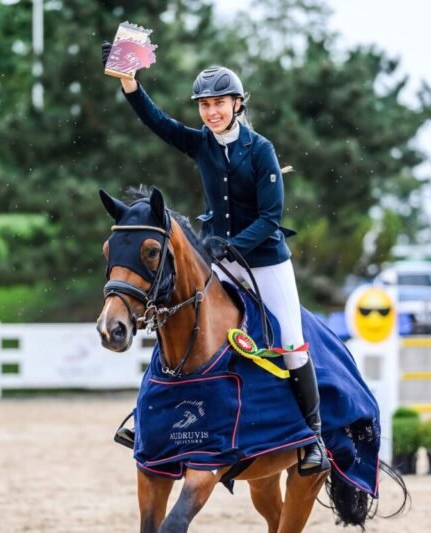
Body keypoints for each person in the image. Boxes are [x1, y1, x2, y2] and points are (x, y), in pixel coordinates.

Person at [102, 43, 329, 475]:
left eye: (219, 104)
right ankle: (145, 417)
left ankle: (314, 435)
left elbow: (270, 217)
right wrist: (131, 84)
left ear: (237, 105)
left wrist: (233, 245)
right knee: (173, 318)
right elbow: (159, 123)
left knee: (293, 343)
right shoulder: (201, 144)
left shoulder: (261, 150)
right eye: (205, 105)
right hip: (219, 257)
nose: (211, 112)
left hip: (264, 260)